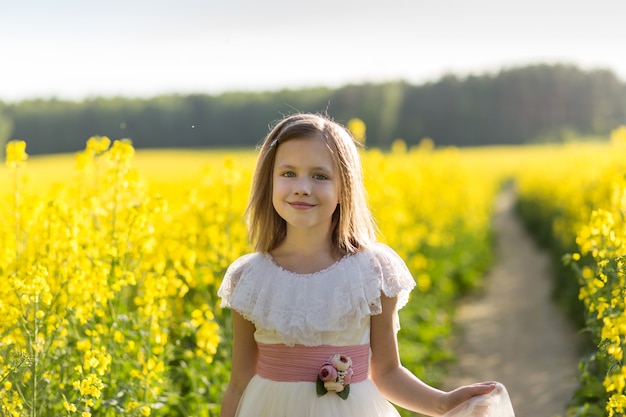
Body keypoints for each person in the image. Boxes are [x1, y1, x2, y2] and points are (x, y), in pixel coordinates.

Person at [217, 113, 514, 417]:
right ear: (268, 182)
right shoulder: (249, 278)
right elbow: (240, 383)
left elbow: (386, 372)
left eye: (320, 176)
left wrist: (443, 402)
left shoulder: (372, 272)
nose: (302, 187)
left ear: (344, 189)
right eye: (288, 173)